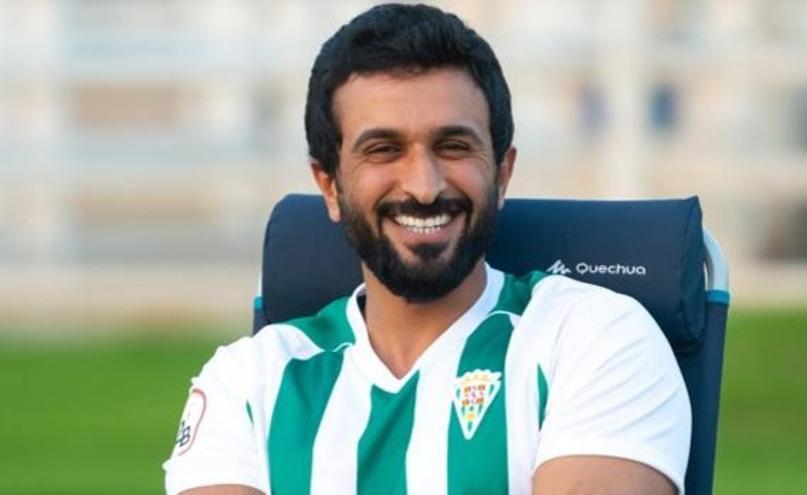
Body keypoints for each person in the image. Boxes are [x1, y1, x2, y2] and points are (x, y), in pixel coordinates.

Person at [163, 3, 691, 494]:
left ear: (502, 173)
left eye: (453, 146)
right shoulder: (249, 383)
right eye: (383, 149)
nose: (423, 185)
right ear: (329, 186)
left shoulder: (594, 339)